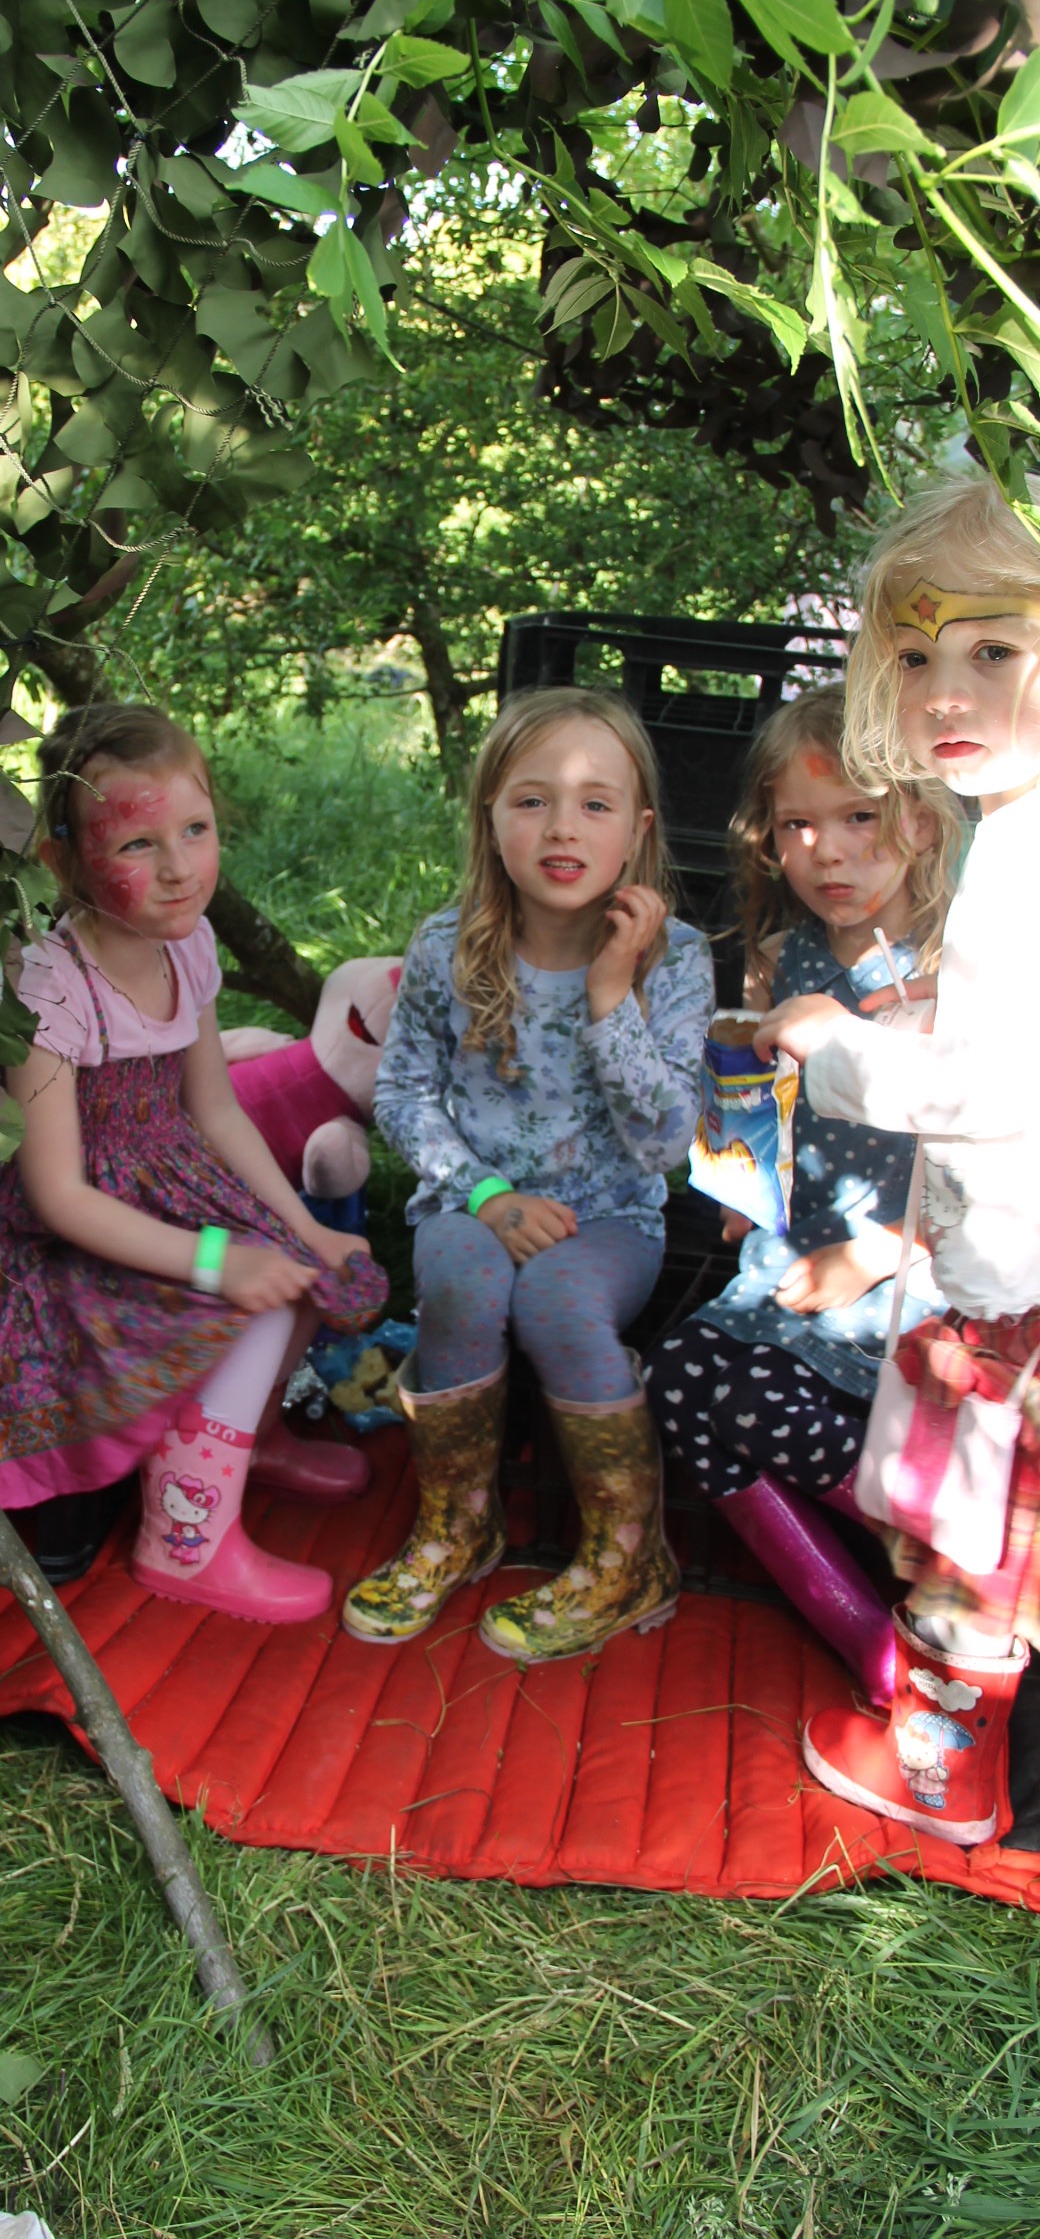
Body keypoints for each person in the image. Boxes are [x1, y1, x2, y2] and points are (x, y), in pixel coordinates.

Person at [0, 703, 387, 1624]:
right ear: (64, 862)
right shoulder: (50, 988)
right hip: (46, 1235)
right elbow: (58, 1195)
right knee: (246, 1304)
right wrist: (217, 1261)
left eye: (196, 830)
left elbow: (214, 1107)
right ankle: (185, 1538)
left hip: (157, 1181)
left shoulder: (188, 942)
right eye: (138, 844)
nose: (179, 867)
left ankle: (241, 1441)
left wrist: (303, 1228)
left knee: (295, 1273)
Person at [756, 476, 1040, 1845]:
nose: (947, 693)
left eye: (995, 648)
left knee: (966, 1538)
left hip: (1005, 1285)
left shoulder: (1018, 859)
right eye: (915, 656)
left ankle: (939, 1774)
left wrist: (838, 1046)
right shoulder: (1013, 831)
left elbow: (989, 1093)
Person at [346, 687, 716, 1658]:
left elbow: (663, 1142)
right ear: (490, 818)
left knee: (558, 1301)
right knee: (461, 1280)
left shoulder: (674, 960)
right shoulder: (448, 945)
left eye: (595, 803)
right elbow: (403, 1096)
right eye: (532, 800)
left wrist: (609, 993)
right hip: (472, 1195)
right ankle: (458, 1527)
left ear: (638, 831)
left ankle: (628, 1557)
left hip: (610, 1215)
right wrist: (487, 1196)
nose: (562, 827)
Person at [643, 685, 964, 1706]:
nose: (828, 851)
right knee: (679, 1377)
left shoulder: (962, 973)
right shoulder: (784, 957)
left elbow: (992, 1169)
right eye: (796, 825)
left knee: (733, 1394)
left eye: (859, 816)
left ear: (921, 820)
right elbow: (760, 1107)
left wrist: (874, 1253)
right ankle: (870, 1636)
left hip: (920, 1273)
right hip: (802, 1258)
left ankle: (948, 1554)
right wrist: (743, 1181)